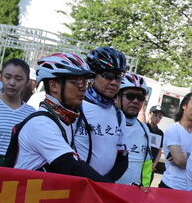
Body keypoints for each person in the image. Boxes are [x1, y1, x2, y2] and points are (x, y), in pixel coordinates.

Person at [10, 53, 126, 182]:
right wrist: (111, 189)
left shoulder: (65, 119)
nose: (83, 88)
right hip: (25, 198)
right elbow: (72, 166)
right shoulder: (41, 124)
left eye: (85, 82)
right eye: (77, 82)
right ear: (54, 86)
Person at [73, 47, 128, 177]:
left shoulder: (119, 115)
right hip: (76, 184)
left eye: (118, 76)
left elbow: (122, 159)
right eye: (108, 75)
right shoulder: (76, 107)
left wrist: (104, 184)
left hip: (101, 189)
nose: (114, 82)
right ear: (92, 75)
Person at [160, 91, 192, 189]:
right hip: (171, 186)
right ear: (184, 105)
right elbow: (179, 161)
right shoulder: (173, 130)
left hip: (190, 190)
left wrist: (188, 156)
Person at [116, 73, 152, 185]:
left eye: (140, 98)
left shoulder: (144, 129)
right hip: (105, 192)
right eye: (130, 96)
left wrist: (145, 191)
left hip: (131, 196)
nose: (136, 101)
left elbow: (146, 166)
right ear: (118, 96)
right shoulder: (107, 123)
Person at [146, 105, 165, 179]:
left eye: (160, 117)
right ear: (149, 114)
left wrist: (154, 165)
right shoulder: (144, 127)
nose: (157, 118)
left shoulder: (160, 133)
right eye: (155, 115)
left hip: (150, 166)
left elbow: (159, 151)